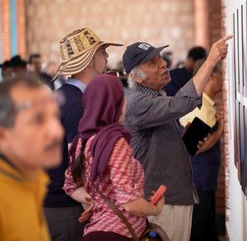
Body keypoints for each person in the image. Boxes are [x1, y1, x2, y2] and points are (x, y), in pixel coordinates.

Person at [123, 35, 231, 241]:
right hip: (162, 202)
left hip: (173, 197)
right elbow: (182, 103)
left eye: (161, 59)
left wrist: (184, 140)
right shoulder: (137, 102)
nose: (163, 64)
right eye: (153, 63)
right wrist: (210, 61)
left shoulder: (157, 96)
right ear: (137, 76)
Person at [44, 28, 123, 241]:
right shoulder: (77, 104)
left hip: (53, 205)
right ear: (88, 60)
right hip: (67, 209)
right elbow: (78, 164)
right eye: (102, 51)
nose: (107, 57)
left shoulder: (62, 96)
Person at [64, 74, 164, 241]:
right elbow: (129, 204)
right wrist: (155, 209)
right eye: (122, 99)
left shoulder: (81, 141)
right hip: (118, 234)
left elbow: (70, 185)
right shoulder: (115, 143)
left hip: (94, 231)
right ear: (114, 105)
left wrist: (97, 201)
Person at [0, 75, 64, 241]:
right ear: (2, 135)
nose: (56, 131)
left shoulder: (32, 182)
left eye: (55, 116)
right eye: (38, 119)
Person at [179, 66, 224, 241]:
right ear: (211, 76)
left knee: (208, 226)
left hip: (206, 179)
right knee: (200, 227)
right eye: (220, 74)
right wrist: (221, 129)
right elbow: (195, 146)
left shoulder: (208, 104)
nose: (222, 79)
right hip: (200, 180)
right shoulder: (200, 108)